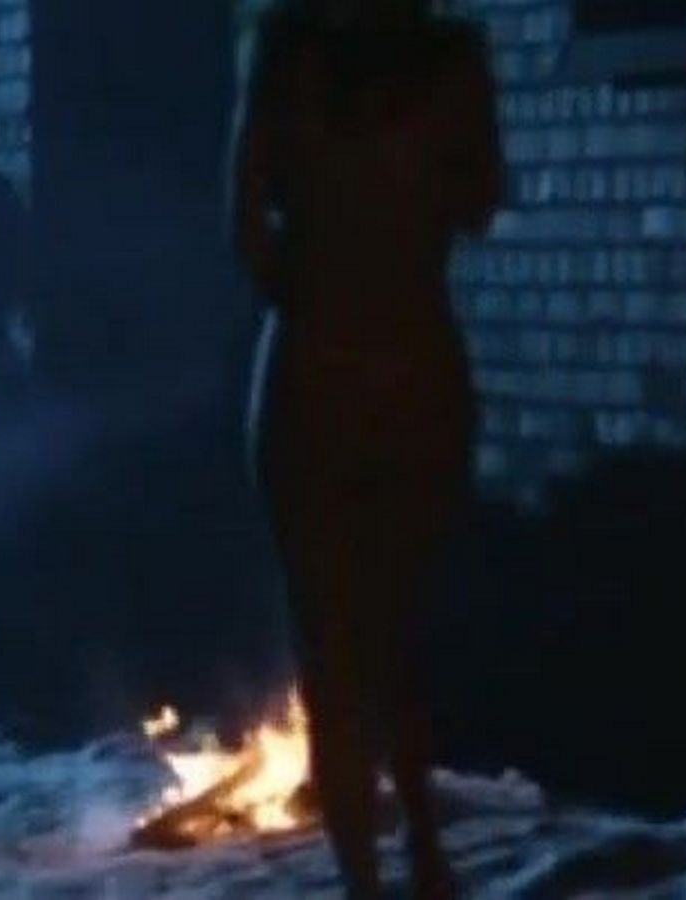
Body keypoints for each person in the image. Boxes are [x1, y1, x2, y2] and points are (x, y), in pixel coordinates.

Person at [232, 0, 504, 897]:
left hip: (312, 370)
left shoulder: (285, 48)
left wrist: (314, 296)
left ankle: (365, 873)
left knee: (328, 633)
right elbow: (481, 200)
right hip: (416, 360)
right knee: (403, 622)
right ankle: (422, 845)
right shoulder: (450, 56)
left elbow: (244, 221)